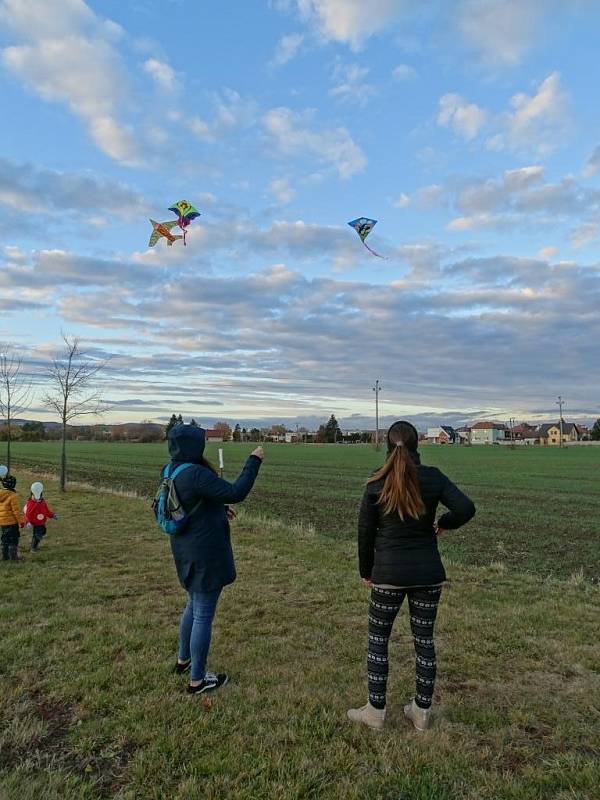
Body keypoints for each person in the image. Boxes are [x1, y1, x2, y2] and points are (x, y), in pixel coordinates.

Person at [348, 420, 475, 732]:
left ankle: (375, 713)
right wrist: (444, 522)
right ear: (418, 445)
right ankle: (421, 712)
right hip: (428, 574)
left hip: (388, 575)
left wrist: (366, 571)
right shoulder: (432, 477)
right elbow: (466, 508)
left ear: (389, 447)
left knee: (378, 640)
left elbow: (364, 533)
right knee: (424, 641)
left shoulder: (375, 483)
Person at [165, 424, 264, 696]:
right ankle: (198, 680)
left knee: (192, 606)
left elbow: (192, 502)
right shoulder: (196, 473)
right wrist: (253, 461)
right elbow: (237, 492)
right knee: (203, 614)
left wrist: (218, 509)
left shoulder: (172, 469)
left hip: (184, 550)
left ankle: (183, 660)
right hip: (205, 554)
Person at [23, 481, 58, 551]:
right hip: (35, 523)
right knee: (37, 535)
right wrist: (28, 522)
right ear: (31, 495)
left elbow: (47, 511)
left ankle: (36, 543)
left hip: (42, 522)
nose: (36, 498)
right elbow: (27, 514)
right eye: (34, 496)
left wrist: (52, 515)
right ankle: (33, 548)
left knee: (43, 531)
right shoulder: (31, 504)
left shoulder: (43, 502)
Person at [1, 472, 24, 562]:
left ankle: (5, 557)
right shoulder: (13, 496)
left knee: (5, 539)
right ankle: (14, 558)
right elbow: (16, 511)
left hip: (2, 522)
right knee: (13, 540)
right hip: (11, 523)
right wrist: (21, 521)